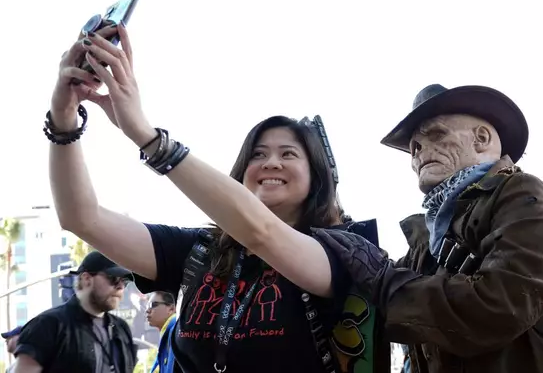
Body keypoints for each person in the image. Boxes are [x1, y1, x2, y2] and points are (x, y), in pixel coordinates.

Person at [45, 24, 381, 373]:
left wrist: (149, 138)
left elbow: (260, 231)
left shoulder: (346, 249)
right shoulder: (200, 251)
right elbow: (81, 218)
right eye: (258, 154)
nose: (271, 163)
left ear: (316, 178)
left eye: (289, 154)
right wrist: (63, 117)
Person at [312, 84, 543, 372]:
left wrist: (383, 279)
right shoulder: (426, 237)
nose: (419, 152)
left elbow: (500, 305)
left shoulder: (521, 194)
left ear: (481, 139)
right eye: (414, 148)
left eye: (436, 134)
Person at [12, 251, 137, 373]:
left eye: (124, 281)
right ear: (86, 279)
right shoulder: (47, 325)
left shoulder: (121, 329)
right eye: (113, 278)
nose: (120, 287)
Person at [146, 292, 177, 373]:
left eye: (153, 305)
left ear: (171, 309)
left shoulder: (176, 332)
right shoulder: (168, 333)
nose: (147, 310)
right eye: (147, 305)